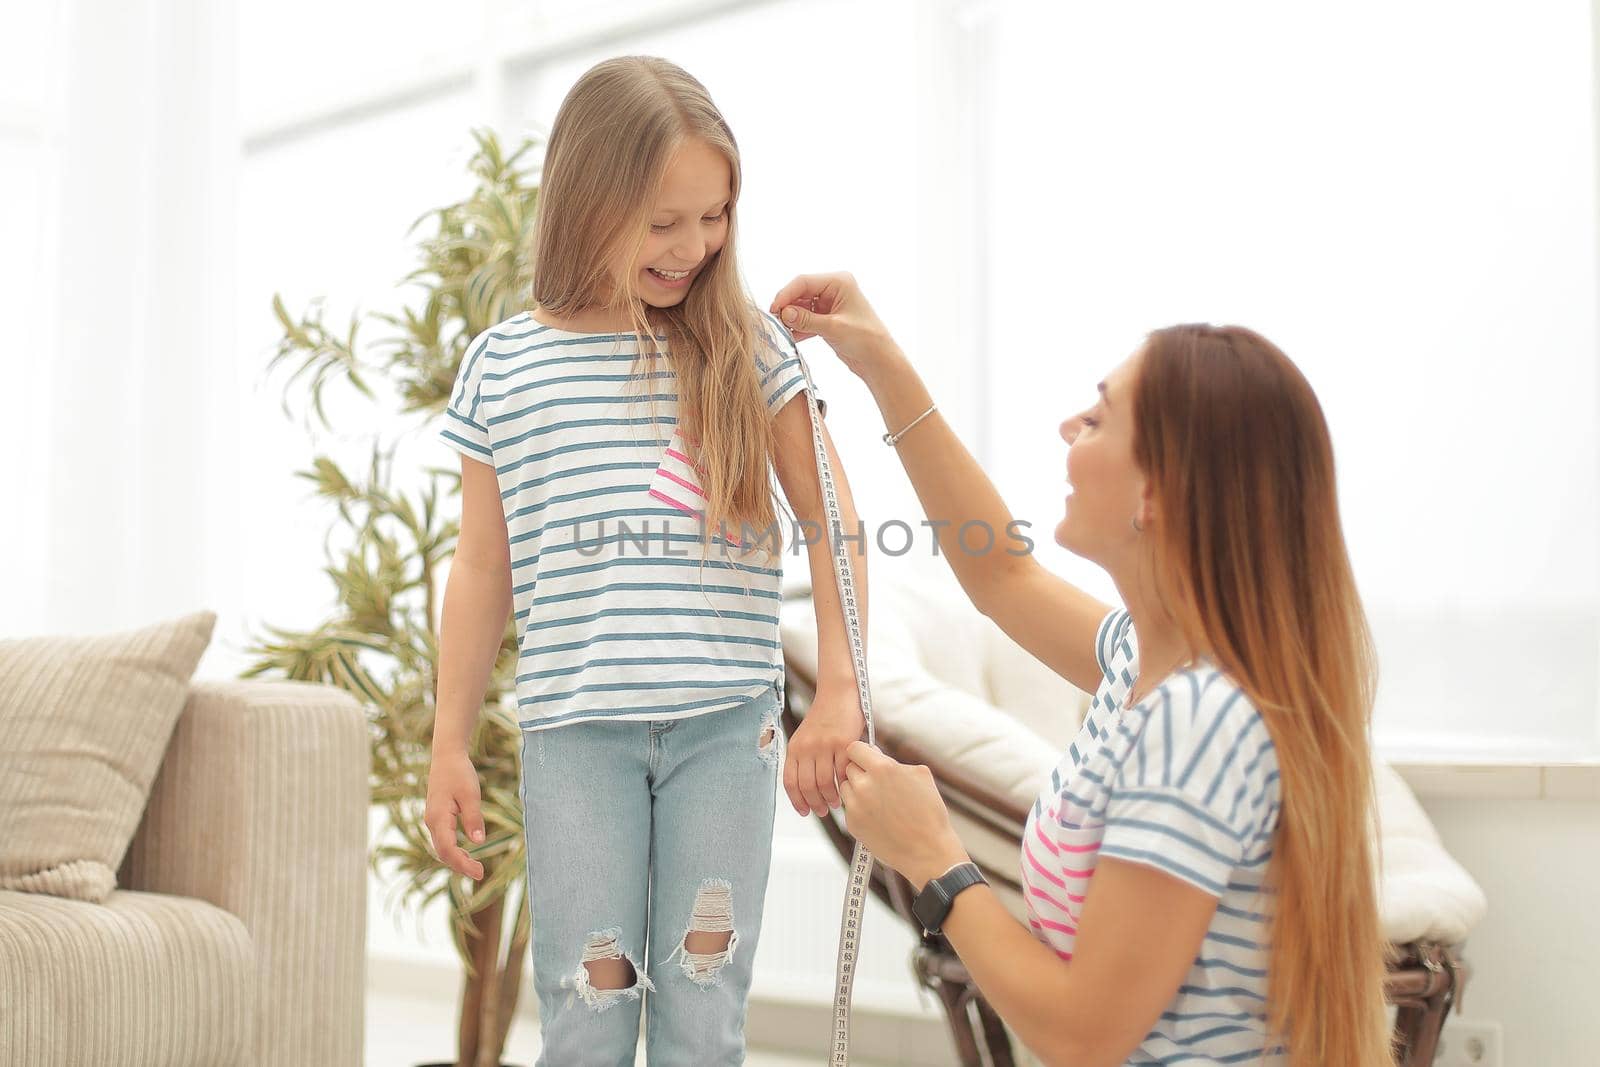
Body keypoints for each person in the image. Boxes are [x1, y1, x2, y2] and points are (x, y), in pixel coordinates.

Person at [771, 273, 1393, 1066]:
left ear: (1157, 493)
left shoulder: (1200, 718)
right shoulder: (1150, 662)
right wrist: (882, 362)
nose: (1070, 425)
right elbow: (1002, 575)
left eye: (1098, 418)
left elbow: (1085, 1033)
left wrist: (932, 853)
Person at [424, 59, 868, 1066]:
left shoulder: (746, 347)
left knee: (702, 1012)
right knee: (585, 1008)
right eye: (663, 221)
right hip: (575, 738)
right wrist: (449, 740)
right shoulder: (504, 364)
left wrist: (841, 686)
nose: (692, 247)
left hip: (726, 730)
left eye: (712, 217)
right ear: (589, 198)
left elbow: (833, 519)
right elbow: (482, 568)